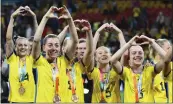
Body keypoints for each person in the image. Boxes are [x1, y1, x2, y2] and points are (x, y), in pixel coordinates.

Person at [32, 6, 79, 102]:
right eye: (50, 45)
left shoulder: (64, 61)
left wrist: (70, 19)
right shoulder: (40, 61)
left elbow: (74, 42)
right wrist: (46, 18)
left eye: (56, 45)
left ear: (60, 47)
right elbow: (36, 40)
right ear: (43, 47)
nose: (54, 48)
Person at [110, 35, 169, 103]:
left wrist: (152, 43)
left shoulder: (150, 70)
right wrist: (129, 44)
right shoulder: (126, 72)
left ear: (143, 56)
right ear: (129, 58)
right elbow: (113, 61)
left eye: (140, 53)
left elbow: (166, 59)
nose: (137, 55)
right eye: (134, 53)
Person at [87, 23, 126, 103]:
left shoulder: (116, 72)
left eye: (106, 52)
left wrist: (119, 33)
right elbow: (90, 53)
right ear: (95, 58)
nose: (104, 54)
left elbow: (125, 53)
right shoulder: (93, 71)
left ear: (111, 56)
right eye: (100, 53)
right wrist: (97, 32)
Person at [5, 6, 38, 102]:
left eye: (25, 45)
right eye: (20, 45)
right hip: (14, 101)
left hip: (30, 101)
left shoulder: (32, 59)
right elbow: (8, 39)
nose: (23, 47)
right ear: (15, 48)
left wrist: (34, 17)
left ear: (29, 48)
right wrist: (12, 17)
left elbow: (37, 39)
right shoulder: (12, 59)